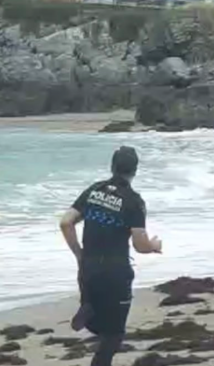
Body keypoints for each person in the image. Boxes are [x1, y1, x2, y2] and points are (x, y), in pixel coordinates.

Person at [59, 146, 162, 366]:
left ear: (112, 166)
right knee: (114, 334)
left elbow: (66, 222)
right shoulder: (133, 201)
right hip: (115, 274)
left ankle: (89, 305)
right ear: (134, 170)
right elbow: (140, 245)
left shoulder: (94, 190)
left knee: (97, 320)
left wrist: (79, 254)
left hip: (88, 269)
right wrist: (154, 245)